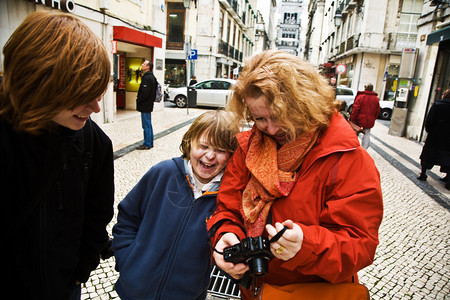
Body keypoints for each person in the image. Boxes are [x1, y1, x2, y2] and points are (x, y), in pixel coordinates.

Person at [206, 50, 383, 299]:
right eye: (259, 118)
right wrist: (227, 235)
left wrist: (306, 244)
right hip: (256, 290)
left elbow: (361, 245)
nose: (271, 128)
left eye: (278, 116)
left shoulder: (347, 157)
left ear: (304, 103)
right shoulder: (247, 148)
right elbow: (228, 208)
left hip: (313, 291)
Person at [0, 11, 114, 299]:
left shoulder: (94, 144)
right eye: (82, 93)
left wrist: (78, 275)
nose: (95, 108)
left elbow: (97, 219)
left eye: (98, 94)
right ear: (39, 83)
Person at [112, 110, 239, 299]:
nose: (210, 155)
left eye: (220, 150)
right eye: (203, 146)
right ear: (190, 142)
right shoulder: (162, 173)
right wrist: (127, 260)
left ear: (231, 155)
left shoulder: (227, 196)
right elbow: (128, 217)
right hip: (134, 290)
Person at [417, 89, 450, 190]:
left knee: (427, 155)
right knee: (447, 157)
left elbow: (430, 119)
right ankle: (448, 180)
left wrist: (429, 130)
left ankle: (423, 173)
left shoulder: (437, 104)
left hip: (435, 135)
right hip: (448, 137)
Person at [349, 83, 381, 149]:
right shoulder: (376, 99)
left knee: (355, 133)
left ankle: (354, 147)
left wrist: (352, 119)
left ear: (365, 88)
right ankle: (364, 149)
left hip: (359, 119)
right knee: (367, 133)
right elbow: (377, 110)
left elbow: (355, 109)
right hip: (369, 119)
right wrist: (373, 118)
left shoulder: (361, 97)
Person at [136, 60, 157, 150]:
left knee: (146, 125)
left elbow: (145, 92)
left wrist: (138, 100)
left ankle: (147, 144)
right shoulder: (152, 77)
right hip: (149, 104)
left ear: (148, 67)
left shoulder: (147, 78)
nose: (142, 65)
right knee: (148, 124)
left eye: (144, 64)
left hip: (145, 104)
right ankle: (150, 142)